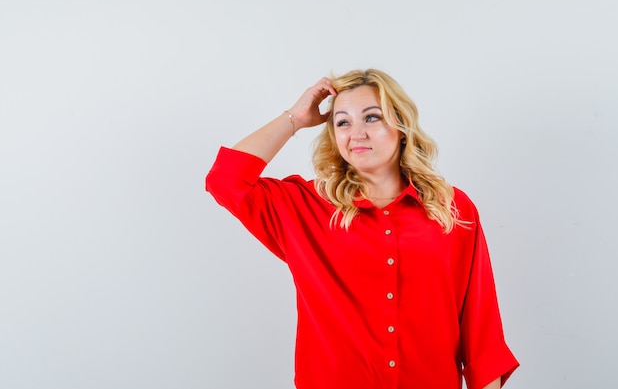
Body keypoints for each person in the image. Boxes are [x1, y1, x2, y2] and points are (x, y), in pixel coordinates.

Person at [205, 69, 519, 389]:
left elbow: (481, 330)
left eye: (371, 118)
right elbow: (225, 181)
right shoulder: (304, 207)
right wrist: (296, 118)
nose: (356, 133)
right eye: (343, 122)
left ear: (401, 127)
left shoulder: (451, 208)